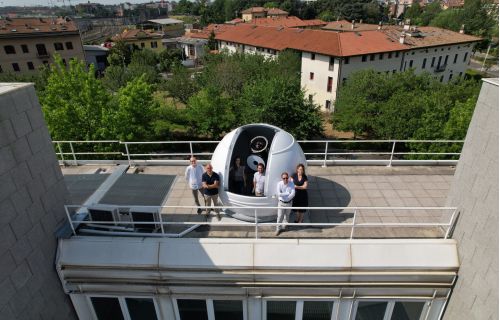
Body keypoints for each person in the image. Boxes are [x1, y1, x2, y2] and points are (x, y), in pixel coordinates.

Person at [275, 171, 295, 236]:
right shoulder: (279, 184)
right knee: (280, 216)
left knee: (287, 216)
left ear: (288, 178)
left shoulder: (291, 184)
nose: (285, 179)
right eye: (284, 178)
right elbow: (278, 194)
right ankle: (278, 229)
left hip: (289, 203)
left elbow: (293, 194)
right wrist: (286, 193)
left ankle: (284, 227)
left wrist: (284, 196)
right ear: (282, 178)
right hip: (281, 203)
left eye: (286, 178)